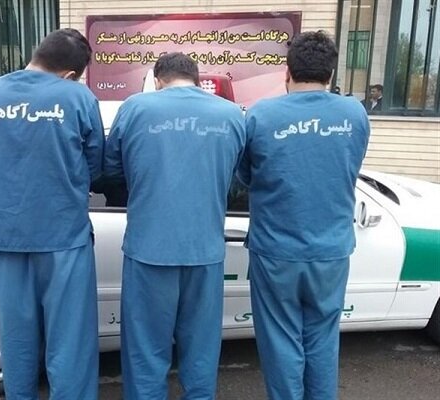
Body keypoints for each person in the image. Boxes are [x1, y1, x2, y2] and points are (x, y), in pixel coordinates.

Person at [0, 28, 104, 400]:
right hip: (62, 234)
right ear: (70, 74)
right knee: (70, 338)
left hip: (5, 234)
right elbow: (95, 164)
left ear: (37, 54)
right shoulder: (77, 97)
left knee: (16, 336)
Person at [103, 52, 246, 399]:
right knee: (201, 347)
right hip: (205, 250)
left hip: (149, 248)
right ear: (196, 79)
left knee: (146, 348)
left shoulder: (135, 108)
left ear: (158, 80)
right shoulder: (231, 114)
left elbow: (111, 171)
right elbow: (237, 179)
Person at [238, 31, 370, 400]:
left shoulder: (260, 115)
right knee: (323, 338)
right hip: (331, 251)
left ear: (287, 71)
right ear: (331, 73)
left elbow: (246, 175)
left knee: (280, 339)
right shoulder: (354, 114)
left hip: (275, 252)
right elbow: (350, 164)